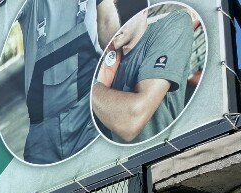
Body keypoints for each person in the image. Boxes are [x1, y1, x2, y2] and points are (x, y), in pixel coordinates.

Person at [17, 0, 139, 163]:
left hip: (88, 116)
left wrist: (122, 72)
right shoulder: (29, 5)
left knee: (106, 171)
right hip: (43, 135)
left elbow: (107, 21)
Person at [91, 6, 194, 144]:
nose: (113, 23)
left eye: (119, 8)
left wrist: (88, 86)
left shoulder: (174, 23)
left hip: (166, 152)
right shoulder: (107, 65)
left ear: (143, 10)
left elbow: (132, 121)